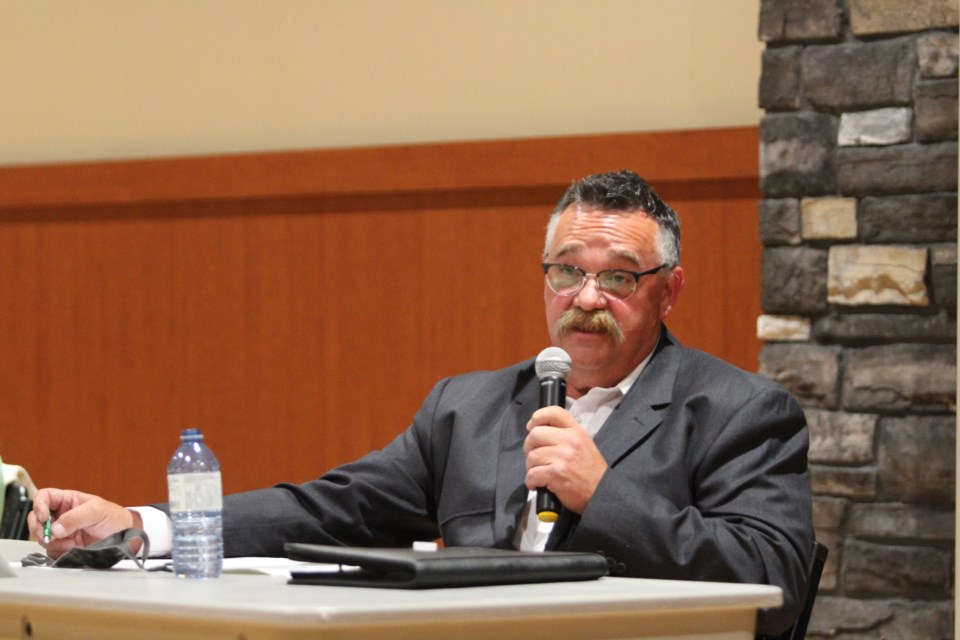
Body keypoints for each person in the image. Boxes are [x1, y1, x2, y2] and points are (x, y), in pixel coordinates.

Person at [29, 170, 813, 637]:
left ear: (668, 290)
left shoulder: (741, 411)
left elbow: (773, 586)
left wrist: (603, 493)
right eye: (566, 271)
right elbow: (329, 509)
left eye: (617, 277)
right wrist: (146, 526)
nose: (586, 297)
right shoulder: (467, 408)